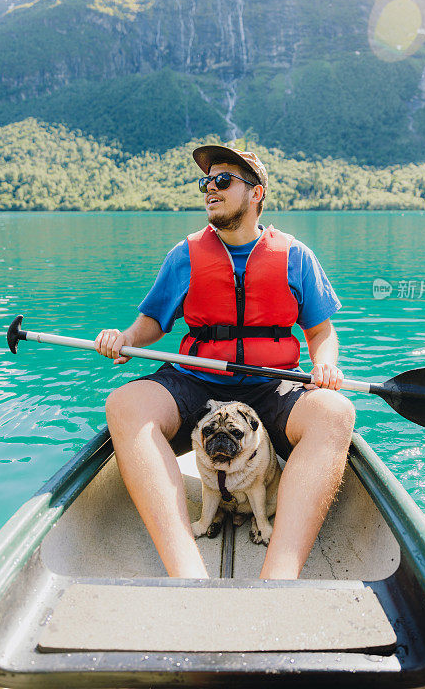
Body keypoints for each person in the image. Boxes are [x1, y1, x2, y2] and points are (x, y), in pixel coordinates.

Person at [95, 144, 355, 580]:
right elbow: (152, 322)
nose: (209, 190)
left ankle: (279, 578)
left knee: (336, 412)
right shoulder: (186, 255)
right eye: (205, 182)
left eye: (221, 181)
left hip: (273, 386)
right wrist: (125, 339)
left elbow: (321, 332)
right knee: (124, 405)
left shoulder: (295, 257)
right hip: (197, 382)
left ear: (256, 193)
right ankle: (187, 575)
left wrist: (325, 364)